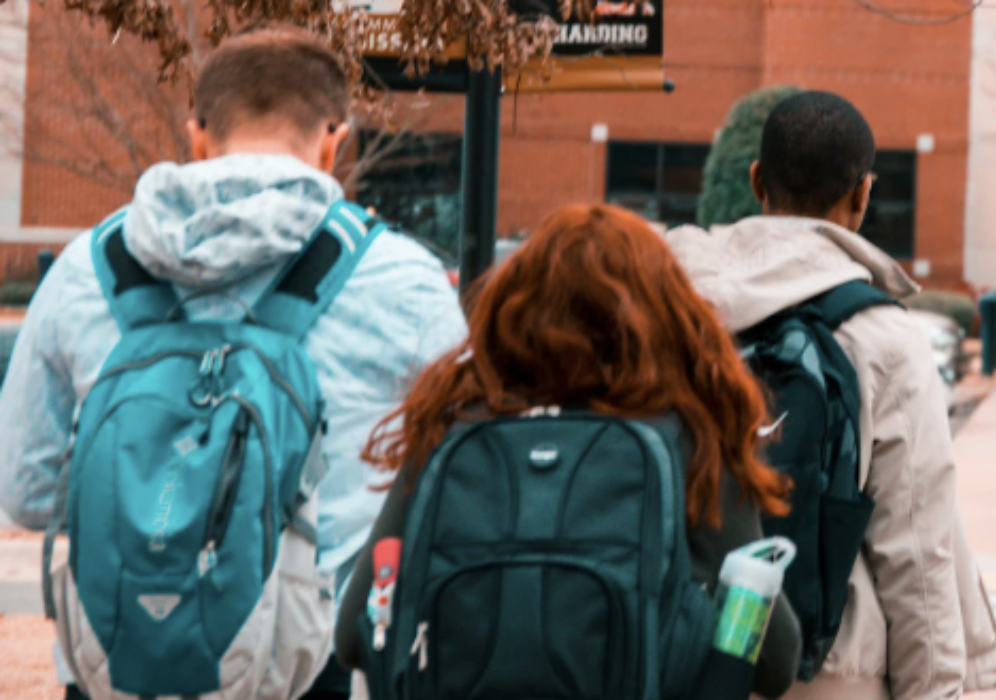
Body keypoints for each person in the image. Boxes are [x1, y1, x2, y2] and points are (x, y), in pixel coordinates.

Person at [0, 25, 465, 699]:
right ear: (335, 140)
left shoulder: (85, 270)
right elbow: (454, 488)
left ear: (196, 133)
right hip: (312, 672)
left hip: (118, 668)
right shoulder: (405, 281)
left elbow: (26, 491)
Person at [338, 204, 802, 697]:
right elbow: (776, 659)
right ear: (663, 315)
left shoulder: (455, 428)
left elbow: (354, 634)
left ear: (511, 307)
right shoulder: (688, 439)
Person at [662, 90, 996, 700]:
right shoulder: (881, 334)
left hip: (682, 655)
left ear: (754, 180)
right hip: (830, 672)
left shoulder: (671, 310)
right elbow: (916, 546)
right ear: (862, 194)